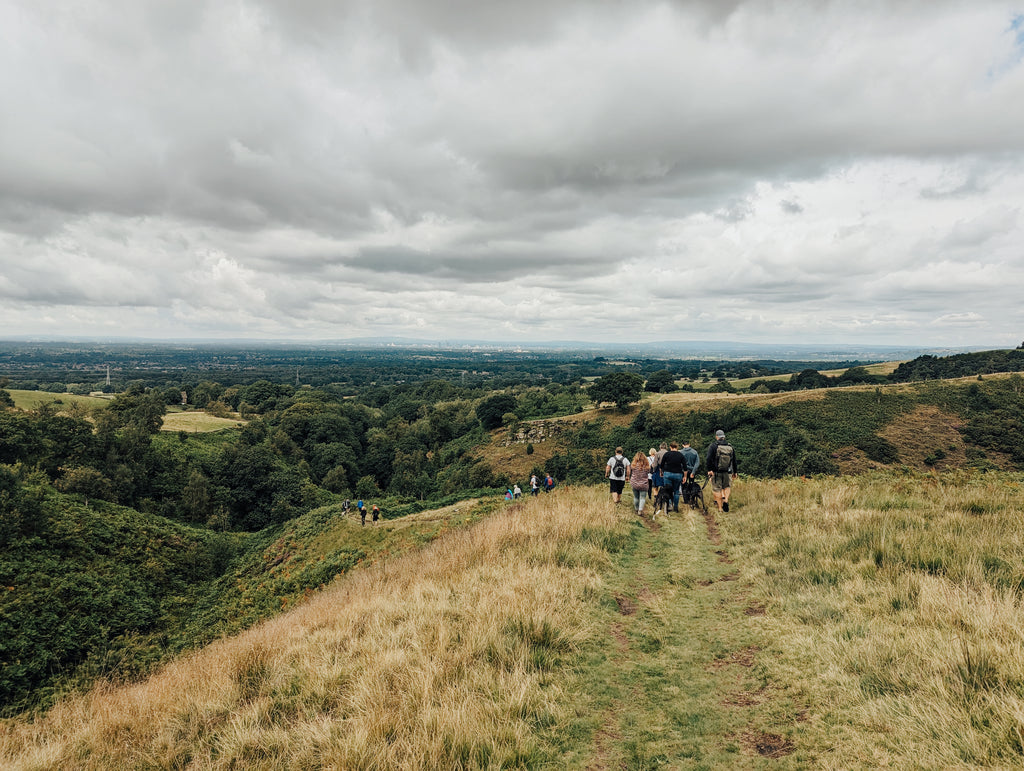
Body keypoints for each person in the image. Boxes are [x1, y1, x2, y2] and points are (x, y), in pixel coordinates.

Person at [706, 429, 738, 512]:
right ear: (724, 437)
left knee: (717, 489)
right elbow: (734, 460)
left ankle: (720, 508)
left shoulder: (713, 446)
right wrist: (735, 472)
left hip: (716, 472)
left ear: (716, 437)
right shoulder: (730, 446)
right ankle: (726, 500)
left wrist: (709, 470)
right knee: (727, 487)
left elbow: (708, 458)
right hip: (728, 471)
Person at [659, 441, 686, 513]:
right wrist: (685, 476)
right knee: (676, 491)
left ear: (670, 447)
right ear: (677, 447)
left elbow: (661, 465)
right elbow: (685, 467)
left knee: (668, 491)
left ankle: (669, 505)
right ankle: (676, 507)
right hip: (678, 474)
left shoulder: (667, 454)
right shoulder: (681, 455)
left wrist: (661, 473)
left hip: (668, 474)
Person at [681, 440, 700, 505]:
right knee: (692, 485)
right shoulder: (695, 452)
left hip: (683, 471)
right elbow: (697, 463)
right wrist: (693, 471)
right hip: (692, 471)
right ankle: (692, 499)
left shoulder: (680, 452)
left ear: (683, 445)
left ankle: (686, 500)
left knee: (684, 485)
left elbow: (680, 463)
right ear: (689, 444)